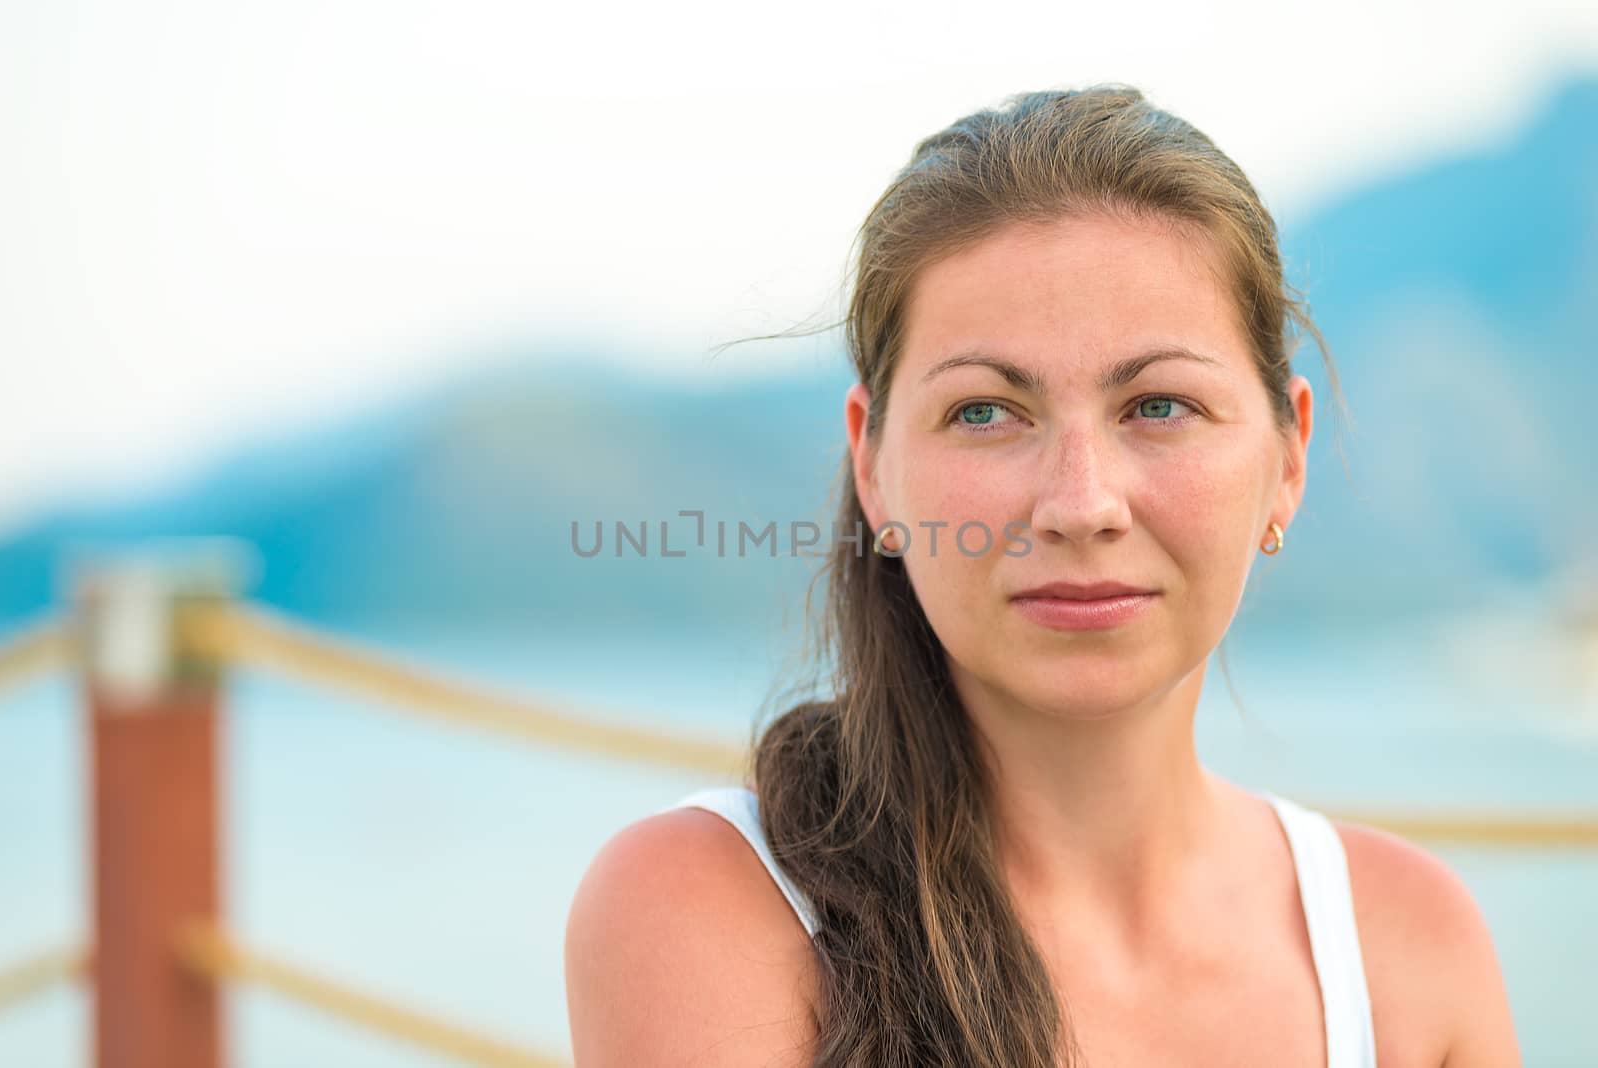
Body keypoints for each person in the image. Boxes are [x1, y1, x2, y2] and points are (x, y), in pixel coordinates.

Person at [564, 83, 1520, 1067]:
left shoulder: (1404, 950)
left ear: (1287, 458)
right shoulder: (708, 906)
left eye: (1158, 405)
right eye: (984, 412)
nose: (1079, 503)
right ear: (872, 464)